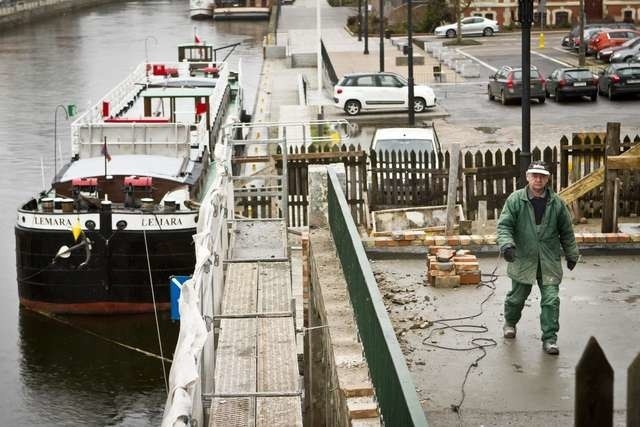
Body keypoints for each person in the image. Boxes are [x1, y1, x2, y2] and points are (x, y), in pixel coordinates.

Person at [496, 161, 580, 355]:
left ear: (547, 179)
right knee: (517, 298)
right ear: (527, 177)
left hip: (548, 260)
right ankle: (510, 322)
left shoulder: (557, 203)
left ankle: (550, 338)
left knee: (551, 300)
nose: (538, 179)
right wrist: (507, 244)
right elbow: (504, 226)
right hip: (523, 257)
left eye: (542, 176)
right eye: (534, 175)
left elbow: (567, 232)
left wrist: (572, 254)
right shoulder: (516, 200)